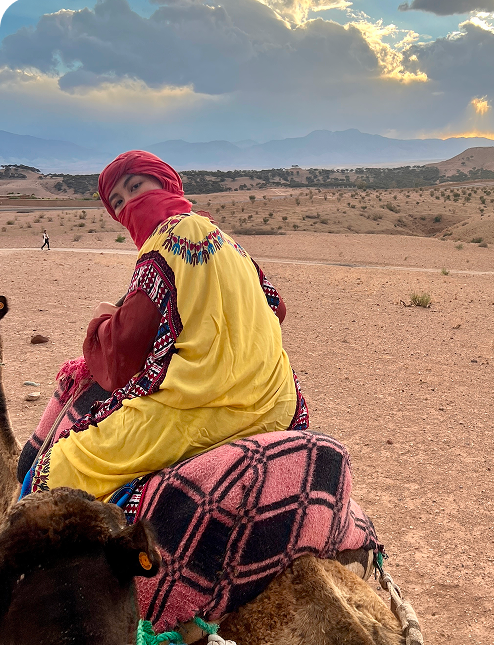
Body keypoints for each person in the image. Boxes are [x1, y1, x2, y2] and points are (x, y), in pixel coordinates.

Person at [25, 150, 307, 501]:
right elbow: (277, 308)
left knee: (53, 470)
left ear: (164, 183)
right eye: (118, 201)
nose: (130, 204)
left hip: (201, 410)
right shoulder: (225, 239)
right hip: (277, 399)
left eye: (135, 187)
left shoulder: (162, 242)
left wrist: (101, 321)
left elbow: (125, 351)